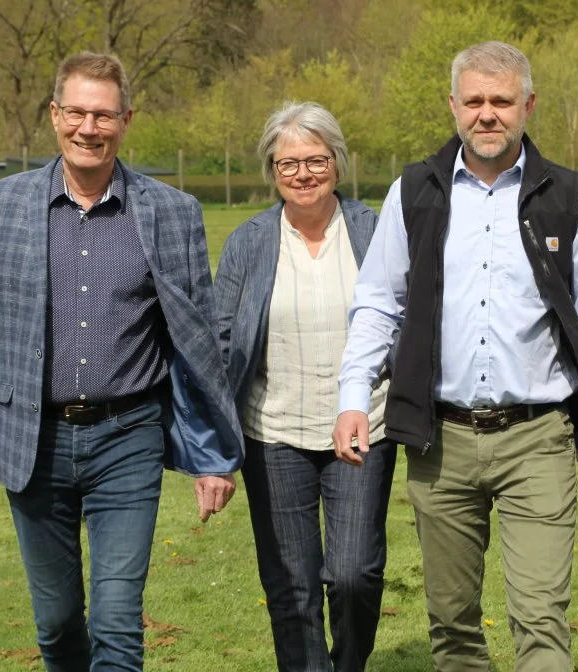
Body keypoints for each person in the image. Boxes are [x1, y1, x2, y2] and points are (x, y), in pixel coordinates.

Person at [0, 51, 242, 671]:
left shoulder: (172, 212)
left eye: (103, 115)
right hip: (32, 441)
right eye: (76, 113)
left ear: (127, 119)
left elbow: (199, 343)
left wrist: (213, 457)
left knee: (119, 623)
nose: (88, 128)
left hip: (128, 438)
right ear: (53, 114)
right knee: (57, 624)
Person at [333, 41, 578, 671]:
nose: (487, 114)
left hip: (539, 440)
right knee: (452, 625)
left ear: (529, 105)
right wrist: (354, 397)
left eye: (502, 101)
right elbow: (377, 305)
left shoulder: (568, 196)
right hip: (440, 440)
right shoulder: (414, 191)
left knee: (541, 618)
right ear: (453, 105)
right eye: (474, 101)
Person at [212, 102, 395, 672]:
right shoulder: (249, 242)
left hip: (363, 428)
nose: (302, 174)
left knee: (352, 572)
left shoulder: (374, 231)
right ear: (272, 170)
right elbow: (220, 338)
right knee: (290, 586)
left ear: (337, 163)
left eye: (315, 160)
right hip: (273, 433)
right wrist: (211, 442)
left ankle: (349, 664)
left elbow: (406, 319)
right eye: (287, 163)